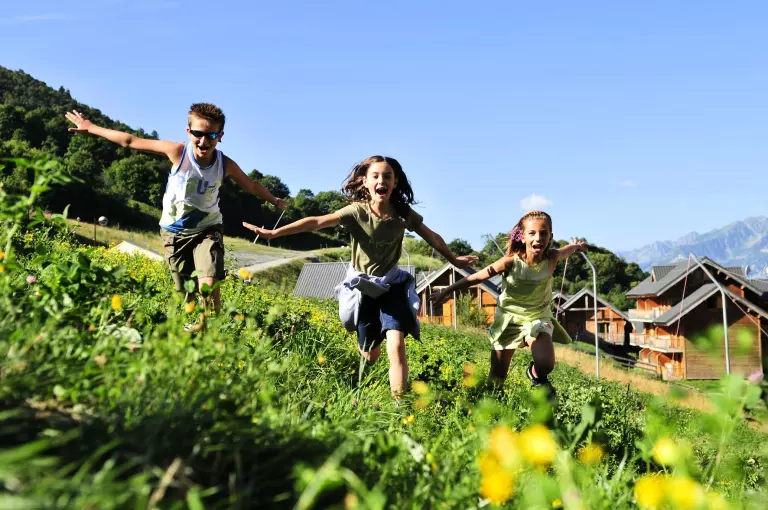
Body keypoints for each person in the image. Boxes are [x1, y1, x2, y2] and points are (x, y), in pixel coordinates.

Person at [243, 155, 476, 397]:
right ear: (365, 181)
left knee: (396, 345)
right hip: (364, 288)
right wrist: (275, 233)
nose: (381, 181)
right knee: (369, 353)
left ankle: (400, 405)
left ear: (395, 182)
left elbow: (433, 237)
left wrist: (454, 259)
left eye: (387, 176)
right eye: (375, 176)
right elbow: (317, 221)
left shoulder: (403, 214)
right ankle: (363, 381)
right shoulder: (356, 211)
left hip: (391, 285)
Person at [65, 104, 286, 317]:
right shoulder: (178, 152)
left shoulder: (225, 164)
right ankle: (194, 322)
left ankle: (210, 327)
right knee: (186, 292)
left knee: (209, 278)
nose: (204, 141)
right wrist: (91, 127)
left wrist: (274, 200)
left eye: (211, 135)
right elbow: (130, 141)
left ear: (220, 136)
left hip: (207, 227)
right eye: (198, 134)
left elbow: (251, 185)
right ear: (189, 132)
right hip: (173, 232)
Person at [431, 210, 585, 396]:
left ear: (550, 236)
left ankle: (535, 375)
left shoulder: (552, 257)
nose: (538, 238)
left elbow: (566, 250)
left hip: (538, 317)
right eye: (532, 233)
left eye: (543, 233)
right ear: (522, 236)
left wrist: (576, 246)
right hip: (509, 319)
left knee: (546, 364)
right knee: (497, 377)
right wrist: (446, 291)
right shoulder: (510, 262)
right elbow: (477, 277)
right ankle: (490, 404)